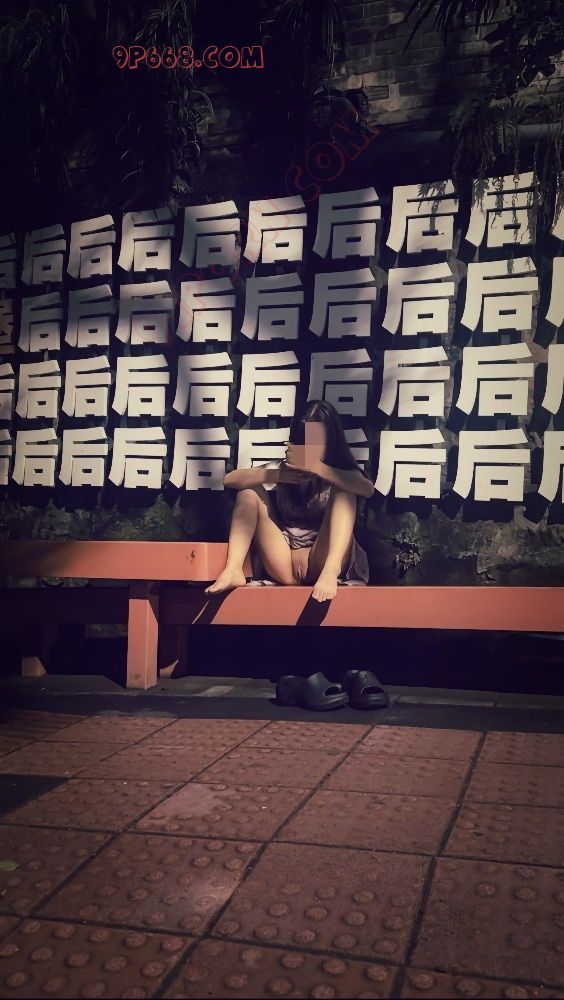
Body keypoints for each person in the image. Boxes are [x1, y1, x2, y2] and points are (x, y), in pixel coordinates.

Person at [204, 399, 374, 602]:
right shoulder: (284, 469)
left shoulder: (340, 473)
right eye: (302, 441)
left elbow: (366, 489)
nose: (307, 447)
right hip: (283, 561)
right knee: (249, 490)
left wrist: (318, 467)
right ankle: (233, 569)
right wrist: (275, 475)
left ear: (330, 441)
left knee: (345, 492)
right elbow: (230, 479)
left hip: (323, 562)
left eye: (315, 442)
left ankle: (331, 570)